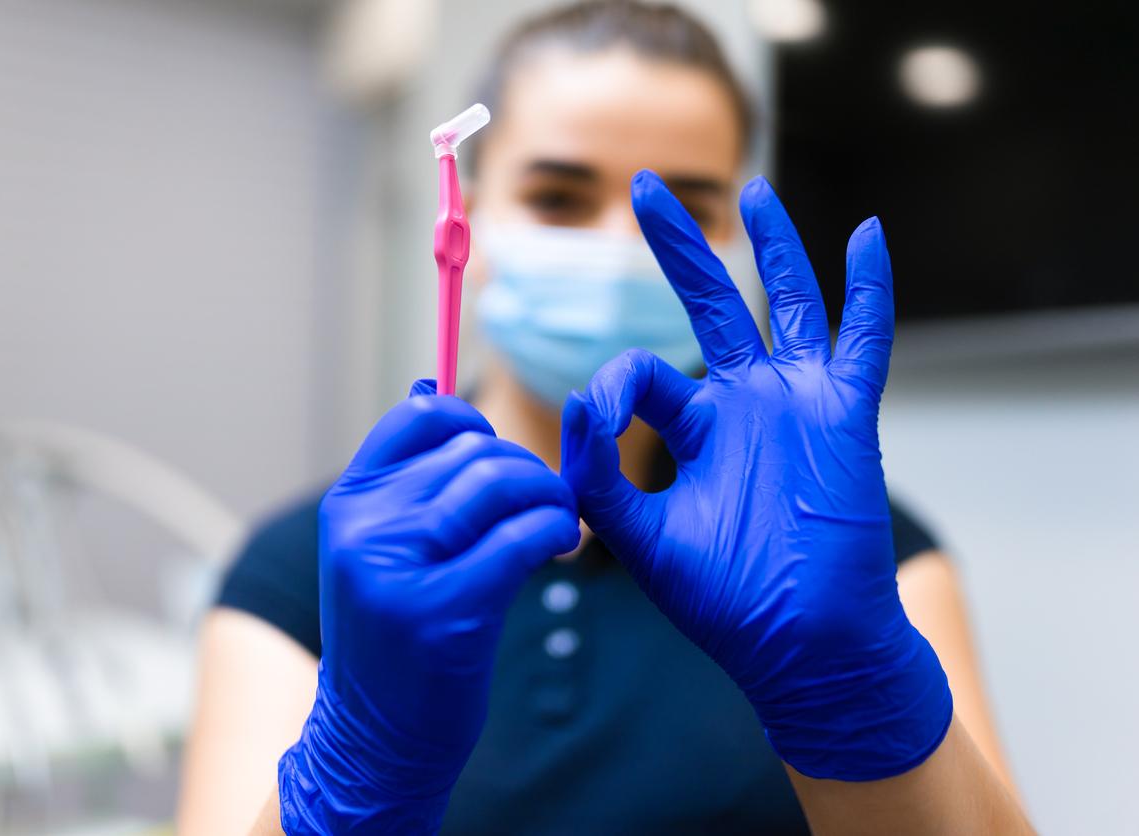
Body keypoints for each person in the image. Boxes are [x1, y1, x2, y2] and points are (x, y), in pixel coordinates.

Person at [177, 3, 1023, 834]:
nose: (624, 247)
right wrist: (352, 777)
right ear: (466, 221)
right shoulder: (308, 571)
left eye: (685, 209)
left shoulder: (860, 554)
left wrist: (854, 696)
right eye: (558, 196)